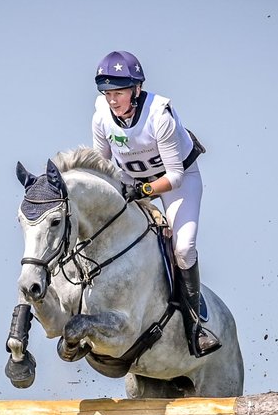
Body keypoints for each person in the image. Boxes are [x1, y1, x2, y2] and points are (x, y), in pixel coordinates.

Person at [90, 50, 221, 357]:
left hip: (177, 181)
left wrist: (145, 189)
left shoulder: (159, 116)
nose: (113, 100)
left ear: (136, 90)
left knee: (184, 247)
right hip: (133, 185)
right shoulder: (101, 118)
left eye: (119, 92)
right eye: (107, 93)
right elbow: (101, 167)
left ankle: (195, 328)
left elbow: (174, 176)